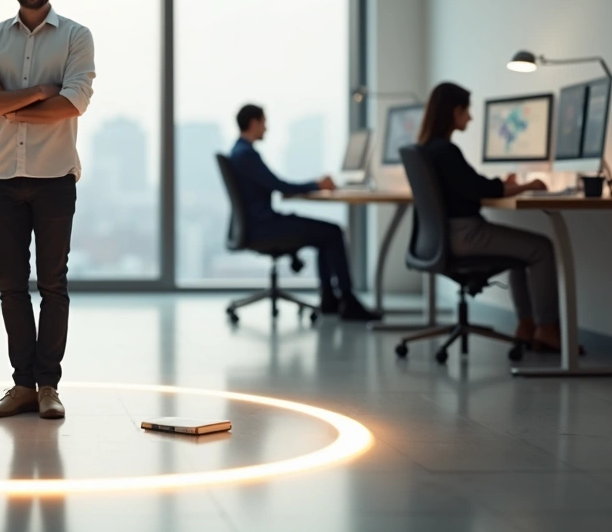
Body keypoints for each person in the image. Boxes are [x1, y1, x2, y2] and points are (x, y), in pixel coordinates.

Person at [0, 0, 95, 420]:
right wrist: (40, 92)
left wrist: (10, 103)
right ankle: (22, 386)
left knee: (53, 284)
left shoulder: (76, 36)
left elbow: (72, 104)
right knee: (11, 285)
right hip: (3, 177)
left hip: (55, 177)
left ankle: (48, 387)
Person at [417, 82, 565, 352]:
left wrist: (505, 184)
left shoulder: (427, 150)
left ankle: (526, 326)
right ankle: (547, 329)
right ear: (455, 111)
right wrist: (528, 186)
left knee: (522, 251)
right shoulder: (446, 151)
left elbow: (470, 185)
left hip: (443, 237)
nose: (471, 118)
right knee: (542, 248)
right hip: (465, 236)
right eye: (467, 111)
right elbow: (480, 189)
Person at [229, 104, 381, 321]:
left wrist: (315, 185)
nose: (266, 128)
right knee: (332, 232)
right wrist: (317, 185)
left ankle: (330, 300)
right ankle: (347, 301)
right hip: (264, 227)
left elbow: (275, 185)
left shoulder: (238, 152)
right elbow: (280, 185)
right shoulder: (246, 155)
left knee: (326, 234)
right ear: (254, 123)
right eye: (264, 122)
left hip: (257, 224)